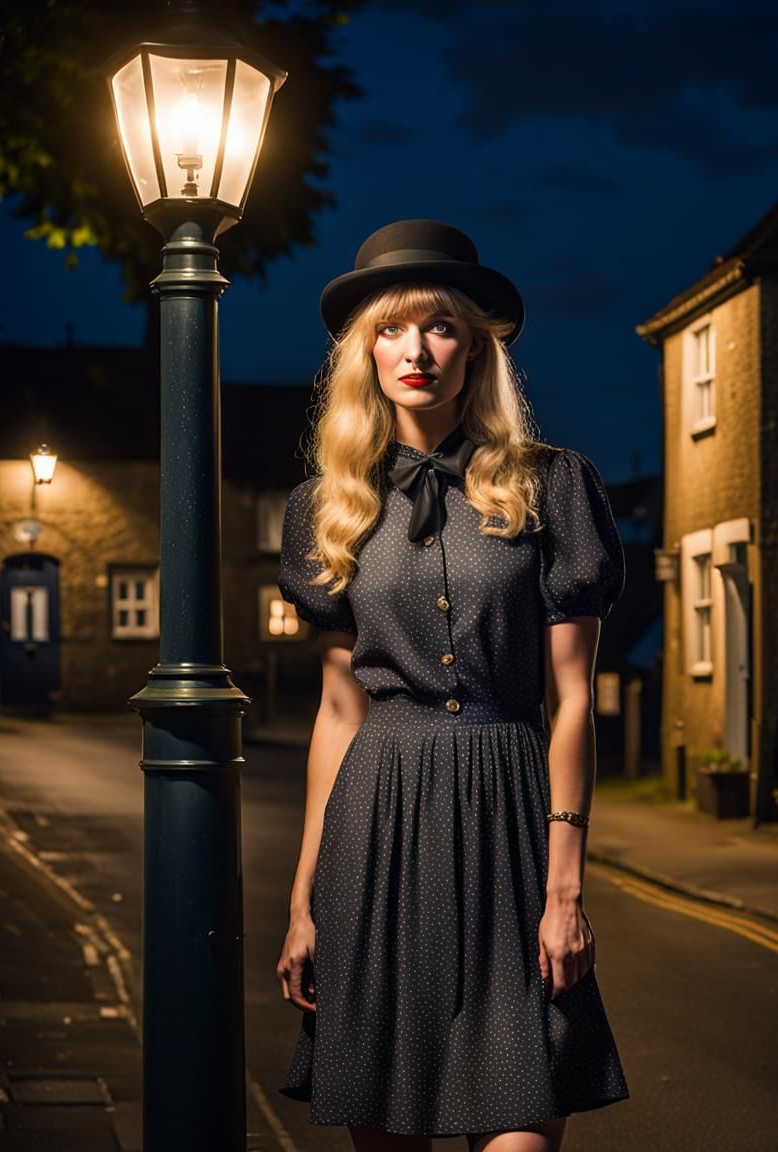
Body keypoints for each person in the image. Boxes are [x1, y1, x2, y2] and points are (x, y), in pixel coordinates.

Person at [275, 219, 629, 1151]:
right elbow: (339, 711)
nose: (415, 350)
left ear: (476, 348)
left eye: (438, 327)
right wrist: (303, 900)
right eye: (391, 330)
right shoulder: (328, 510)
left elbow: (572, 701)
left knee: (522, 1122)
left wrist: (564, 892)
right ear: (364, 353)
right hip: (376, 824)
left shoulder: (553, 488)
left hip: (511, 815)